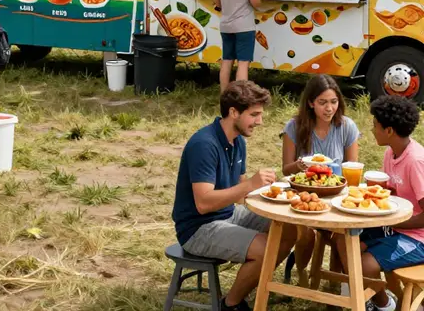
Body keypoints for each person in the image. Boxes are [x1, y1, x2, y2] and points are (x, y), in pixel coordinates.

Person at [173, 81, 296, 311]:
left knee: (290, 227)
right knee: (265, 248)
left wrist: (277, 189)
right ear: (233, 112)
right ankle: (231, 304)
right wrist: (250, 184)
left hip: (229, 214)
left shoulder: (237, 141)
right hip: (198, 228)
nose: (260, 121)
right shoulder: (204, 144)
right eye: (254, 114)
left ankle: (256, 286)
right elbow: (203, 203)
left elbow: (241, 195)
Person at [337, 95, 424, 311]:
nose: (372, 130)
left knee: (365, 263)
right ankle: (379, 301)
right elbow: (389, 195)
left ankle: (382, 304)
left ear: (389, 131)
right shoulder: (390, 153)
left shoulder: (416, 161)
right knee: (343, 239)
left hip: (418, 238)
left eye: (375, 125)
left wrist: (393, 221)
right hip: (394, 226)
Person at [281, 75, 359, 276]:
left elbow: (352, 168)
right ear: (310, 103)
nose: (329, 108)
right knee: (306, 235)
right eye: (322, 103)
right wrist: (299, 165)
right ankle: (301, 273)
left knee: (342, 236)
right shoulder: (295, 127)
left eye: (333, 102)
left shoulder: (346, 126)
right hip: (305, 194)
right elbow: (285, 169)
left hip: (336, 195)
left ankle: (336, 285)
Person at [213, 0, 261, 92]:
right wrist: (260, 1)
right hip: (244, 26)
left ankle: (224, 95)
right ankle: (241, 96)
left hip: (226, 25)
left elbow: (217, 0)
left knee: (226, 61)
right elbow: (255, 1)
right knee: (243, 63)